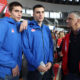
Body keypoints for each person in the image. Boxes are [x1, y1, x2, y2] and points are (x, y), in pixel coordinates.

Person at [22, 4, 54, 80]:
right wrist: (37, 65)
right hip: (34, 69)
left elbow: (50, 46)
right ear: (33, 14)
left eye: (42, 12)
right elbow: (26, 49)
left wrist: (50, 61)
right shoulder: (27, 28)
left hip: (47, 67)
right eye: (38, 12)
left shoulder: (46, 29)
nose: (40, 15)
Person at [0, 1, 27, 80]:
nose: (19, 14)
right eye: (16, 11)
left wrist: (26, 21)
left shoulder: (18, 25)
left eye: (21, 11)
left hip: (15, 70)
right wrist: (12, 64)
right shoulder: (3, 24)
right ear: (9, 12)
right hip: (5, 72)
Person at [61, 11, 80, 80]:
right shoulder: (67, 37)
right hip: (68, 74)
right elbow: (64, 53)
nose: (67, 21)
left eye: (70, 19)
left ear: (78, 21)